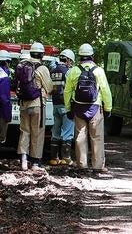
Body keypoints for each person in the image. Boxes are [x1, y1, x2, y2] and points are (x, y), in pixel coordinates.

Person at [64, 43, 112, 173]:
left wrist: (68, 108)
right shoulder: (99, 71)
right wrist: (108, 108)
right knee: (97, 137)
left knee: (80, 136)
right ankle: (98, 166)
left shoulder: (73, 71)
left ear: (80, 56)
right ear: (92, 56)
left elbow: (67, 91)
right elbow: (106, 91)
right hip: (95, 108)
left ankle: (82, 164)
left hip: (79, 107)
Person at [15, 42, 53, 171]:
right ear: (42, 54)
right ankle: (35, 162)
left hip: (24, 104)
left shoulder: (21, 65)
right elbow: (49, 87)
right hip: (37, 104)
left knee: (24, 131)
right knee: (37, 132)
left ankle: (23, 160)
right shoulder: (42, 68)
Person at [48, 49, 75, 166]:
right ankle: (66, 158)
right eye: (71, 61)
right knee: (67, 132)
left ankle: (54, 158)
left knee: (55, 131)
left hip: (55, 105)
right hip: (66, 105)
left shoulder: (53, 71)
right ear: (68, 60)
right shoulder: (68, 72)